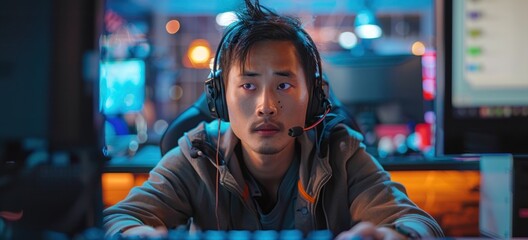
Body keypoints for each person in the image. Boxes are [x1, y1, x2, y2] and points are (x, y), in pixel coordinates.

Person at [103, 0, 444, 239]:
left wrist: (390, 236)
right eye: (248, 85)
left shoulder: (340, 152)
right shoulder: (197, 155)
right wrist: (138, 233)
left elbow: (417, 223)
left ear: (313, 97)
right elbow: (116, 219)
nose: (266, 106)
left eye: (283, 85)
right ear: (221, 99)